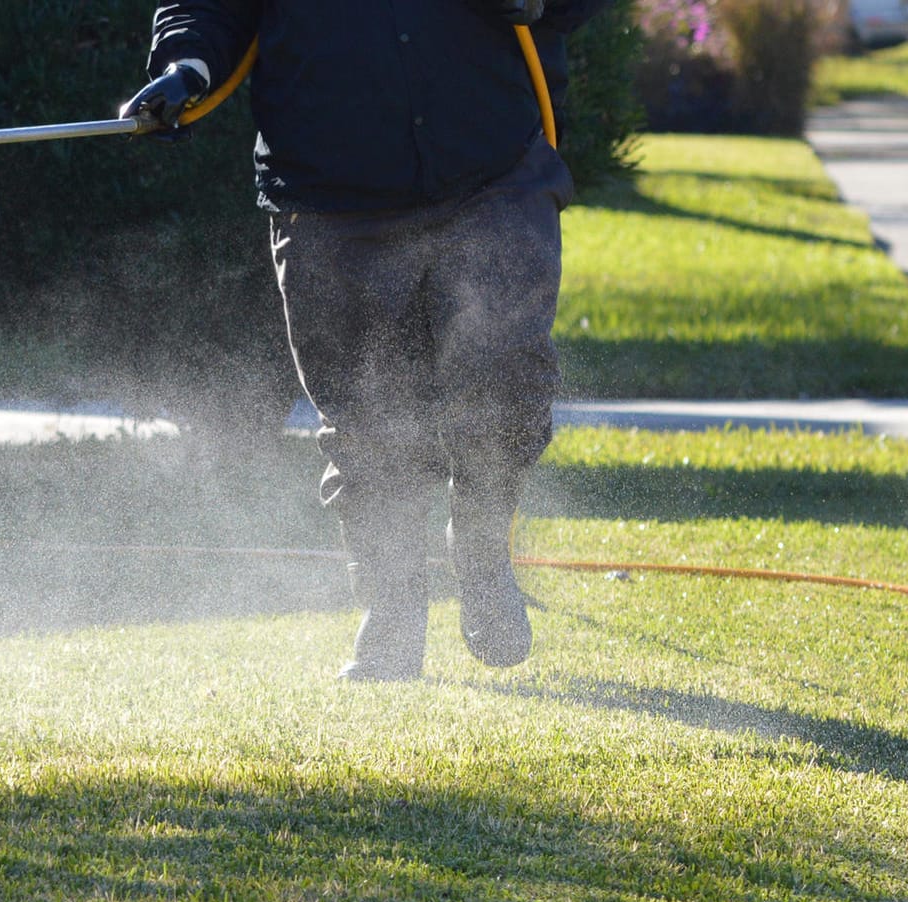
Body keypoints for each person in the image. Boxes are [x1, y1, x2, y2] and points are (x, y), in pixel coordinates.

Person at [122, 0, 609, 681]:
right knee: (367, 424)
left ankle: (482, 549)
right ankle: (393, 613)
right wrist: (186, 65)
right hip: (330, 199)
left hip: (492, 171)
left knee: (506, 381)